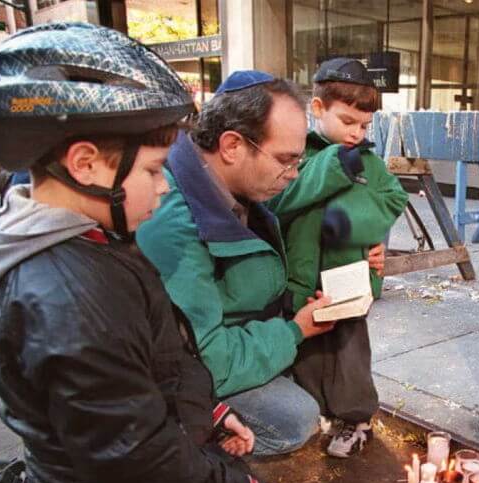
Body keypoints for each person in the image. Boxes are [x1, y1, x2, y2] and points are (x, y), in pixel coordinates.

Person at [0, 23, 309, 483]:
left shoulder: (95, 241)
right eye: (151, 170)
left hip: (104, 461)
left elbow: (163, 352)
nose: (166, 184)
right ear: (86, 163)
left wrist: (211, 414)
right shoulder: (67, 292)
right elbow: (139, 457)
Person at [136, 70, 358, 456]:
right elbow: (201, 360)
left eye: (298, 163)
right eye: (286, 162)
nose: (291, 176)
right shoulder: (170, 218)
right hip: (180, 372)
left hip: (242, 333)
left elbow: (286, 229)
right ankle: (184, 451)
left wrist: (357, 251)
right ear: (232, 146)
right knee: (294, 419)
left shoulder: (233, 183)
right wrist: (292, 333)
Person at [275, 58, 408, 457]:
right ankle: (319, 412)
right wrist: (333, 165)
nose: (356, 133)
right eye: (348, 121)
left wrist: (354, 228)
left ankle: (356, 418)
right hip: (300, 278)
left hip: (349, 278)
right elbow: (281, 201)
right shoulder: (296, 157)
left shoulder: (366, 159)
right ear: (317, 109)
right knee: (309, 352)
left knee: (349, 353)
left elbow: (393, 198)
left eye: (365, 126)